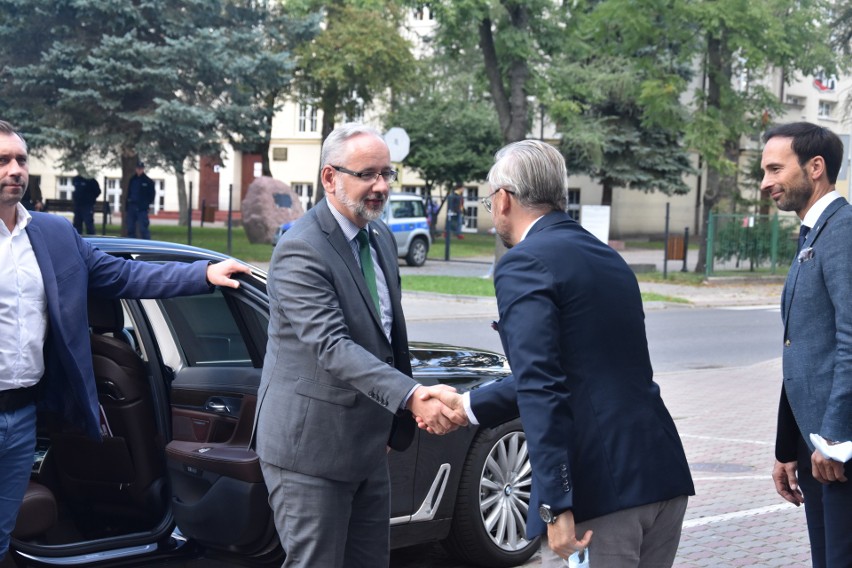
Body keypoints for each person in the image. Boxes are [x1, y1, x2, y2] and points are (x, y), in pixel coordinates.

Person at [419, 139, 694, 567]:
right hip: (660, 474)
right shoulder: (608, 258)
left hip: (598, 496)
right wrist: (468, 404)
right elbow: (572, 371)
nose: (493, 216)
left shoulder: (524, 262)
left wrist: (555, 502)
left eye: (490, 202)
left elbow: (542, 385)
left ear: (505, 199)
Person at [0, 119, 251, 562]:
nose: (15, 169)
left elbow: (123, 274)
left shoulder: (55, 234)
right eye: (3, 160)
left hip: (21, 416)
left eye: (21, 159)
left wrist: (201, 273)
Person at [252, 123, 463, 568]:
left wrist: (404, 404)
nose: (381, 186)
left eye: (387, 173)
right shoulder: (300, 248)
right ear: (330, 178)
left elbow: (387, 340)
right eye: (368, 174)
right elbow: (331, 346)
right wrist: (411, 398)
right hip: (309, 451)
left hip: (369, 445)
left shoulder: (381, 238)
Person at [762, 122, 852, 568]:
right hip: (815, 449)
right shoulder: (812, 234)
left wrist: (834, 438)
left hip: (838, 452)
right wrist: (787, 448)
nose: (765, 183)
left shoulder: (843, 232)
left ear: (815, 167)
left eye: (776, 169)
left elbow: (850, 341)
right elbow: (801, 348)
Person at [125, 161, 155, 239]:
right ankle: (131, 245)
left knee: (143, 228)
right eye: (138, 168)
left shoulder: (148, 181)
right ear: (136, 169)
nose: (139, 170)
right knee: (130, 228)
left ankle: (147, 245)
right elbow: (129, 193)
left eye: (141, 169)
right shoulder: (132, 180)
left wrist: (146, 204)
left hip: (142, 208)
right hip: (132, 206)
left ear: (143, 169)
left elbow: (152, 195)